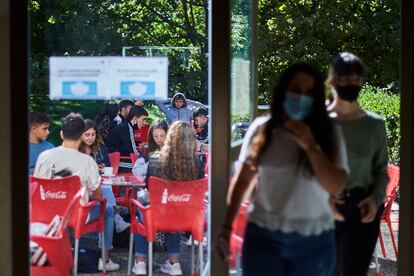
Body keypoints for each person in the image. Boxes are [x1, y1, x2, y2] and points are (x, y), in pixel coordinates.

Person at [215, 62, 349, 276]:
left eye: (309, 93)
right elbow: (242, 181)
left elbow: (337, 185)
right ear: (283, 92)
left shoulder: (329, 133)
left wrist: (311, 147)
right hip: (264, 238)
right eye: (296, 90)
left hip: (313, 243)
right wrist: (226, 227)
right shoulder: (262, 129)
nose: (301, 98)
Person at [327, 52, 388, 276]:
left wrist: (375, 199)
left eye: (356, 79)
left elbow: (381, 170)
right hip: (324, 208)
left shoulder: (374, 125)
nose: (350, 84)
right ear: (333, 81)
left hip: (362, 209)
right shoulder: (320, 123)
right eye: (344, 79)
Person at [33, 113, 120, 271]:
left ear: (61, 134)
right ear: (81, 135)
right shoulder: (87, 161)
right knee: (107, 209)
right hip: (76, 215)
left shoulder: (44, 156)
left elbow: (39, 186)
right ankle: (105, 259)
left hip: (48, 213)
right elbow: (99, 196)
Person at [132, 121, 205, 276]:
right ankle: (174, 263)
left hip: (159, 215)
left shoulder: (155, 160)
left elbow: (148, 188)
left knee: (142, 208)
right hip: (188, 217)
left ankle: (140, 263)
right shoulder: (197, 163)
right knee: (174, 208)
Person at [80, 119, 131, 234]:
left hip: (99, 184)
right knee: (105, 189)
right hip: (82, 187)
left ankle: (115, 219)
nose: (90, 138)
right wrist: (93, 168)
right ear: (80, 135)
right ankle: (116, 218)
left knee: (106, 188)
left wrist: (103, 169)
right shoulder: (77, 149)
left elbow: (108, 166)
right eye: (87, 135)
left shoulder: (100, 148)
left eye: (93, 134)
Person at [106, 106, 149, 172]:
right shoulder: (127, 128)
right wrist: (146, 159)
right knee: (144, 167)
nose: (144, 122)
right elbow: (134, 151)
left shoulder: (126, 125)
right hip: (118, 162)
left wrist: (140, 144)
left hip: (115, 159)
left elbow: (130, 143)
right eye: (143, 119)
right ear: (135, 118)